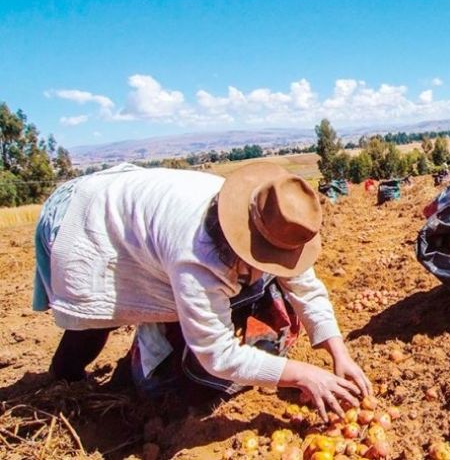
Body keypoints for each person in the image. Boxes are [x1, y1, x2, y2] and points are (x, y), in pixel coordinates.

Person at [32, 162, 371, 420]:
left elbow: (306, 287)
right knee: (96, 321)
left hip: (138, 211)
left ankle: (149, 350)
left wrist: (339, 354)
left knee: (253, 289)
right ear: (246, 242)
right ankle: (64, 379)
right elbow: (217, 354)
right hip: (86, 216)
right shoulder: (197, 254)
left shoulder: (276, 220)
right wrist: (303, 375)